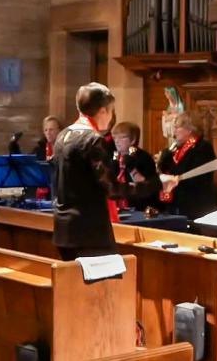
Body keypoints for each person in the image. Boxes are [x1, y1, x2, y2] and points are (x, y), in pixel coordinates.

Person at [53, 83, 170, 260]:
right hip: (89, 232)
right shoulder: (92, 140)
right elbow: (112, 189)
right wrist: (157, 183)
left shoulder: (63, 135)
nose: (111, 118)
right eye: (111, 111)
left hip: (63, 229)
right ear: (102, 111)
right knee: (107, 286)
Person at [157, 111, 217, 221]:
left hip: (196, 201)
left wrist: (174, 177)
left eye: (177, 127)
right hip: (177, 201)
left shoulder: (202, 147)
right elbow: (164, 169)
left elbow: (196, 174)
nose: (174, 131)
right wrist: (165, 155)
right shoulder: (176, 148)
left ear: (190, 129)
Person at [109, 121, 159, 211]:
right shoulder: (115, 157)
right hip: (117, 208)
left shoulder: (143, 157)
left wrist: (132, 168)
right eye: (115, 137)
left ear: (133, 140)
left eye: (122, 137)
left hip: (138, 207)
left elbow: (147, 185)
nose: (117, 141)